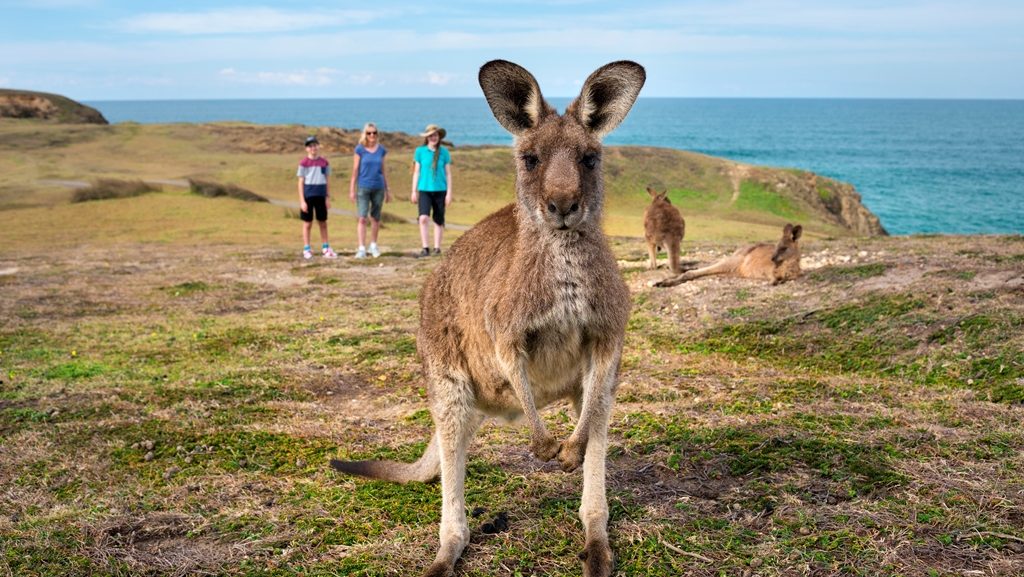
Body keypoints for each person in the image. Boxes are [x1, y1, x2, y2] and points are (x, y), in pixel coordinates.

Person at [349, 122, 390, 258]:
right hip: (363, 187)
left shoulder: (381, 150)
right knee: (362, 218)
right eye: (369, 133)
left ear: (377, 134)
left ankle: (373, 245)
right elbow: (355, 170)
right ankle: (361, 248)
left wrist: (387, 189)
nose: (372, 135)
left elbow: (384, 170)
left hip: (378, 187)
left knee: (375, 218)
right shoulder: (359, 149)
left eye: (374, 133)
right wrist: (352, 189)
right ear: (365, 134)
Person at [411, 124, 452, 257]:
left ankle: (437, 248)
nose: (433, 137)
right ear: (427, 137)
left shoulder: (444, 152)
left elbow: (448, 174)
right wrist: (413, 191)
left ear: (439, 136)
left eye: (435, 135)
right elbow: (416, 172)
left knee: (438, 220)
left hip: (441, 190)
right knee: (423, 218)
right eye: (431, 135)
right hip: (424, 190)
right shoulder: (420, 151)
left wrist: (449, 192)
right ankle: (425, 247)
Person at [297, 135, 336, 259]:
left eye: (315, 145)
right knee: (307, 223)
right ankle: (306, 249)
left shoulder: (324, 163)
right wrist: (302, 201)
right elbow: (300, 182)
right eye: (310, 146)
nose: (313, 148)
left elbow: (327, 180)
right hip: (308, 196)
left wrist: (327, 197)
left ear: (318, 146)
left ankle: (325, 247)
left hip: (321, 195)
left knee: (323, 222)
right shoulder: (303, 163)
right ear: (306, 149)